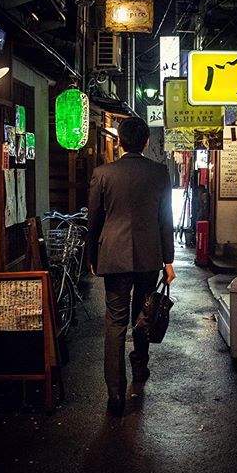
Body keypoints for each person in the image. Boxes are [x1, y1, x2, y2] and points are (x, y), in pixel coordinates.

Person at [88, 117, 176, 417]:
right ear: (146, 143)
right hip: (149, 256)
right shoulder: (159, 173)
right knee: (143, 314)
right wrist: (169, 260)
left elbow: (94, 221)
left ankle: (115, 394)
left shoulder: (102, 174)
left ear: (120, 142)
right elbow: (166, 219)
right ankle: (139, 367)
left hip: (113, 255)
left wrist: (91, 256)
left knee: (115, 322)